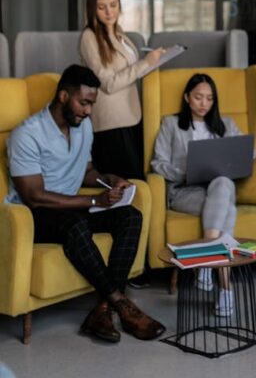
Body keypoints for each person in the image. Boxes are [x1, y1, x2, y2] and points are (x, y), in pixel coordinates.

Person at [6, 65, 165, 344]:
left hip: (70, 207)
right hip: (34, 215)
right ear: (63, 96)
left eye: (92, 104)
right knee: (77, 225)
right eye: (84, 103)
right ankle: (121, 303)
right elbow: (34, 196)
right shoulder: (26, 134)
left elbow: (87, 171)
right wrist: (93, 200)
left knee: (130, 216)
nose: (89, 111)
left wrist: (109, 179)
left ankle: (102, 310)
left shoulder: (83, 126)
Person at [151, 73, 242, 320]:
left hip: (217, 190)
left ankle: (211, 266)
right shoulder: (170, 124)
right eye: (198, 97)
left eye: (209, 99)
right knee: (227, 208)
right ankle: (223, 284)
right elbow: (157, 163)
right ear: (187, 97)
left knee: (223, 183)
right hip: (185, 191)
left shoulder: (226, 124)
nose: (204, 103)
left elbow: (246, 153)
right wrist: (185, 171)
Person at [79, 0, 164, 181]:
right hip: (111, 123)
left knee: (137, 181)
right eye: (102, 7)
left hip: (131, 116)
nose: (109, 12)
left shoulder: (118, 33)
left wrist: (154, 60)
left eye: (113, 5)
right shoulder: (89, 37)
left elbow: (130, 71)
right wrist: (145, 63)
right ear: (92, 9)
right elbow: (108, 83)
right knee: (125, 185)